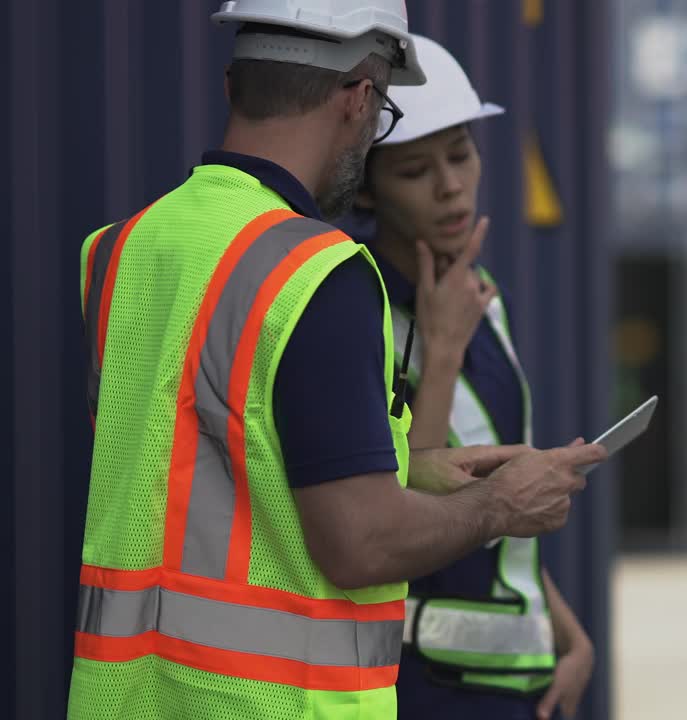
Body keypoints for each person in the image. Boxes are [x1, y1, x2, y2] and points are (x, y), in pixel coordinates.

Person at [69, 3, 605, 718]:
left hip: (126, 697)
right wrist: (504, 502)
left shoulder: (117, 250)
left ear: (235, 87)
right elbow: (361, 545)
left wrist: (411, 470)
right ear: (359, 100)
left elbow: (206, 471)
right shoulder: (318, 273)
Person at [344, 35, 594, 720]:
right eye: (416, 170)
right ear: (367, 185)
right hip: (421, 688)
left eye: (460, 155)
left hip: (519, 685)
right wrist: (443, 353)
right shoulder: (354, 311)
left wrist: (571, 641)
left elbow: (498, 514)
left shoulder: (482, 295)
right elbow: (392, 514)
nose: (451, 185)